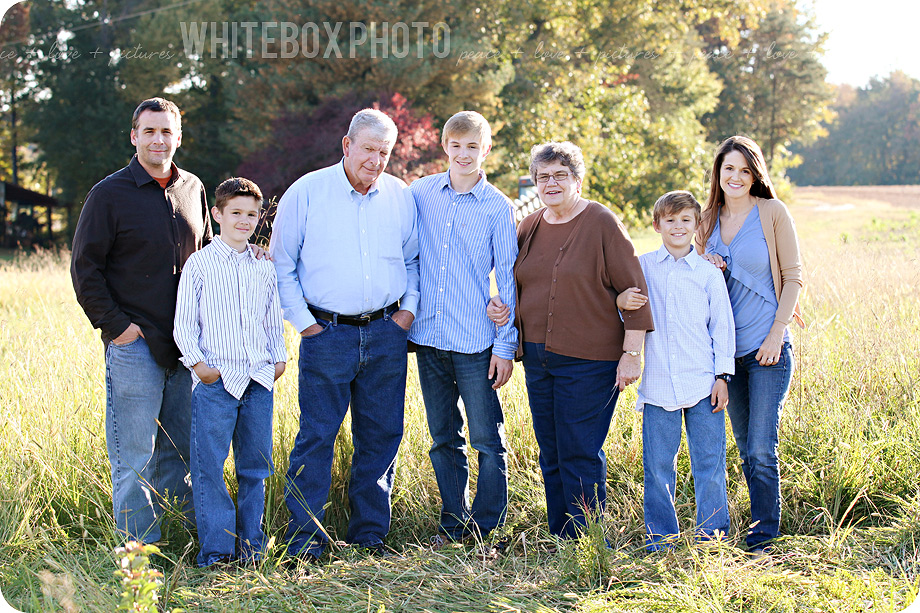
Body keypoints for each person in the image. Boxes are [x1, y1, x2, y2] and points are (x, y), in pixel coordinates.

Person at [270, 109, 419, 562]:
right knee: (317, 435)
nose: (375, 160)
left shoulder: (400, 196)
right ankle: (303, 542)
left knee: (381, 434)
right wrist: (305, 323)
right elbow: (281, 263)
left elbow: (414, 261)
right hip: (326, 333)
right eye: (369, 149)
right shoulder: (307, 192)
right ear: (346, 145)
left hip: (387, 332)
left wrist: (407, 312)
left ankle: (370, 536)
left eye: (384, 152)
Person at [488, 141, 653, 539]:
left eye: (560, 175)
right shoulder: (529, 227)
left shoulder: (600, 222)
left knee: (579, 449)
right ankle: (562, 536)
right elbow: (516, 286)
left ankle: (588, 542)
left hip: (590, 360)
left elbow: (635, 290)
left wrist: (632, 353)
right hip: (541, 359)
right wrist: (500, 308)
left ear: (577, 180)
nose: (551, 183)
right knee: (552, 450)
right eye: (542, 177)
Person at [71, 97, 210, 542]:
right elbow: (85, 269)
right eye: (149, 131)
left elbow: (209, 254)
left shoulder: (194, 188)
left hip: (187, 347)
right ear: (134, 137)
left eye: (166, 131)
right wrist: (119, 330)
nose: (158, 139)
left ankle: (186, 543)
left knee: (182, 455)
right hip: (135, 346)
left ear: (179, 137)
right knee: (133, 456)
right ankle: (141, 556)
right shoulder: (108, 194)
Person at [408, 111, 518, 549]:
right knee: (442, 438)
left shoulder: (497, 206)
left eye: (473, 146)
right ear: (444, 146)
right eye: (456, 145)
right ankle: (453, 526)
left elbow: (507, 279)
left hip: (476, 340)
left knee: (488, 439)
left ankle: (486, 528)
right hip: (429, 339)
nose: (464, 154)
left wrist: (505, 345)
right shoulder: (420, 193)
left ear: (485, 150)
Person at [696, 135, 803, 555]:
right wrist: (708, 267)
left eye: (745, 170)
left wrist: (777, 332)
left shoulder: (772, 213)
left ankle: (764, 538)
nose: (736, 177)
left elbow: (793, 277)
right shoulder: (705, 221)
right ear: (718, 175)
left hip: (768, 349)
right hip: (727, 355)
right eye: (729, 169)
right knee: (744, 446)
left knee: (761, 446)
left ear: (755, 174)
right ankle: (759, 521)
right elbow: (698, 288)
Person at [173, 177, 287, 567]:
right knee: (209, 469)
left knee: (255, 468)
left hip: (258, 379)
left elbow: (272, 316)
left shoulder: (262, 264)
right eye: (235, 213)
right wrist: (199, 365)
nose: (243, 221)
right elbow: (184, 321)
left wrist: (279, 359)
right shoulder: (200, 264)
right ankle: (218, 552)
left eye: (252, 214)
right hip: (217, 381)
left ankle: (252, 549)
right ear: (217, 214)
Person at [617, 191, 736, 551]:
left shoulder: (708, 274)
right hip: (657, 387)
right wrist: (620, 301)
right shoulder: (643, 267)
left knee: (710, 465)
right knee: (657, 469)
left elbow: (723, 328)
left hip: (702, 384)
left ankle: (712, 537)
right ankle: (661, 539)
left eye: (686, 220)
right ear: (657, 225)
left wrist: (722, 377)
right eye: (669, 220)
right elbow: (625, 310)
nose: (678, 227)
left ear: (697, 225)